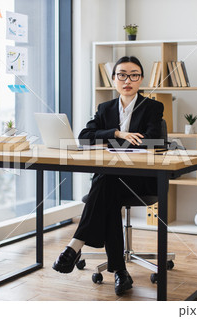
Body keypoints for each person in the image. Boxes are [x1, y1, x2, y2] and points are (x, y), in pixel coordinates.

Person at [52, 56, 164, 295]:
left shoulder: (153, 107)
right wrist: (118, 134)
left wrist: (111, 140)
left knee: (104, 183)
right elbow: (84, 136)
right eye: (122, 75)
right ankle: (120, 272)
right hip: (111, 181)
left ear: (141, 79)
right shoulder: (105, 108)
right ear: (114, 80)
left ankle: (76, 244)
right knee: (109, 190)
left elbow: (154, 140)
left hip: (140, 180)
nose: (127, 80)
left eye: (134, 75)